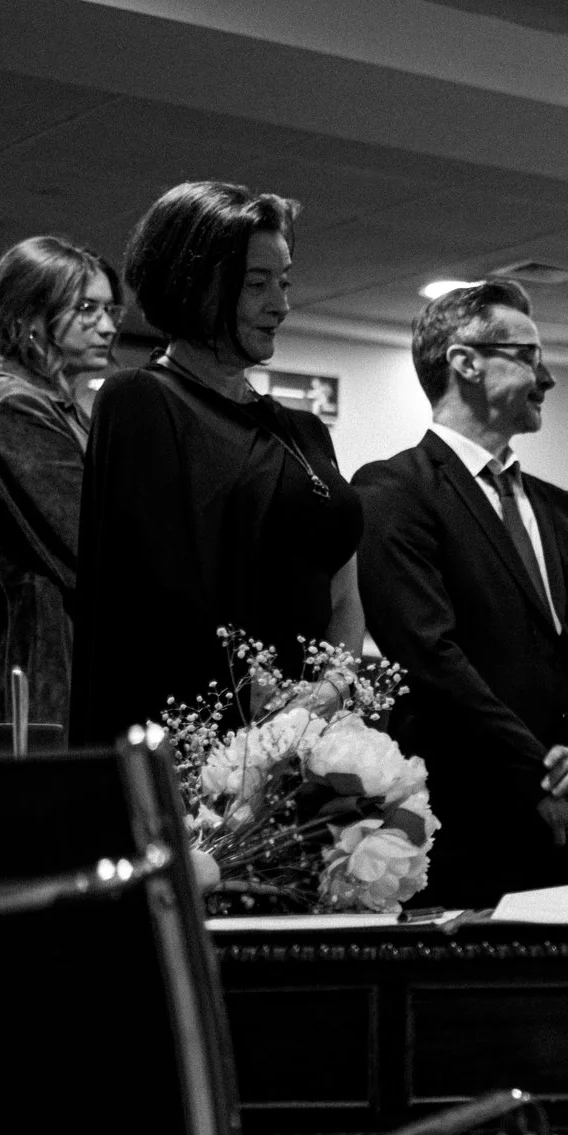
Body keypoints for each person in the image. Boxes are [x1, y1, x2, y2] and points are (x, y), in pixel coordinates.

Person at [354, 278, 568, 1135]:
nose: (547, 371)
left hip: (562, 823)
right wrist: (542, 775)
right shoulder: (395, 489)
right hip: (465, 822)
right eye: (524, 351)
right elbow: (430, 661)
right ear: (463, 358)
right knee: (462, 1058)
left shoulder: (562, 508)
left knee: (546, 1055)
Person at [70, 181, 363, 742]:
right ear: (194, 283)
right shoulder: (141, 399)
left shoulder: (303, 430)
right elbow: (152, 605)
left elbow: (345, 591)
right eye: (257, 283)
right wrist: (269, 710)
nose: (281, 304)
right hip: (209, 737)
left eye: (284, 281)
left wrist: (331, 689)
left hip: (312, 734)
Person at [0, 237, 121, 729]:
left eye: (110, 309)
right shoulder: (15, 408)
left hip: (65, 672)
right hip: (37, 681)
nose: (110, 327)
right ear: (32, 315)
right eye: (87, 309)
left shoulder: (60, 408)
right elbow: (94, 547)